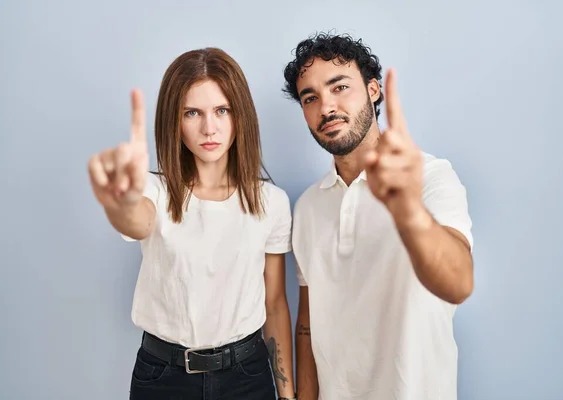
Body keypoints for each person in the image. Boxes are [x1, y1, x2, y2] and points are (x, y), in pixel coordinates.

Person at [88, 47, 297, 400]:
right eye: (192, 113)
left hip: (248, 375)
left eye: (221, 110)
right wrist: (119, 202)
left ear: (239, 115)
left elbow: (275, 303)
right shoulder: (155, 191)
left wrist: (288, 395)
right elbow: (137, 221)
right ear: (175, 121)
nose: (209, 127)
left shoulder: (270, 203)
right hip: (163, 376)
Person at [283, 33, 475, 400]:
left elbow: (459, 284)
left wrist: (408, 211)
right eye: (311, 98)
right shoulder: (307, 206)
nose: (326, 107)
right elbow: (307, 325)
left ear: (373, 90)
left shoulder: (431, 177)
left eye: (339, 87)